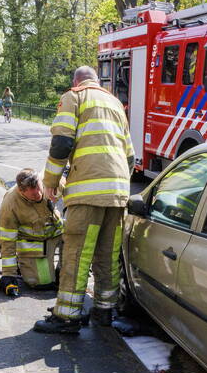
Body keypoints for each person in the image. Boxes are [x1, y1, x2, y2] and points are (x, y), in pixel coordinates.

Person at [33, 65, 134, 333]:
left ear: (76, 81)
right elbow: (131, 156)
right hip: (118, 195)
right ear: (97, 81)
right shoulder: (114, 103)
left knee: (77, 254)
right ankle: (105, 311)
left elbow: (62, 144)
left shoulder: (74, 97)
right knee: (108, 255)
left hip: (87, 195)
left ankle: (67, 317)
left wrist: (50, 183)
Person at [0, 168, 64, 290]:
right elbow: (6, 240)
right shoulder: (10, 204)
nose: (39, 194)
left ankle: (62, 269)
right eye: (33, 194)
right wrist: (8, 273)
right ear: (21, 191)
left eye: (39, 188)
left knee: (75, 240)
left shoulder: (50, 182)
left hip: (59, 232)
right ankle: (23, 263)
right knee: (43, 283)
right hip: (36, 244)